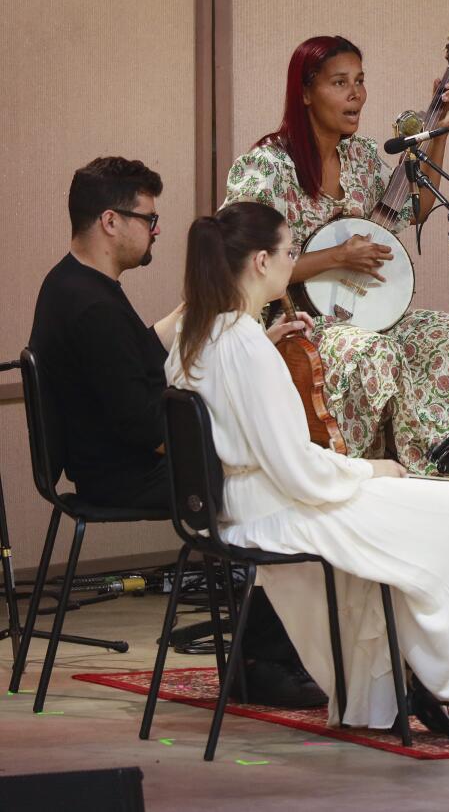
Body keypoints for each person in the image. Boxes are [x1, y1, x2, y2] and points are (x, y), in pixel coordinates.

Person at [165, 201, 449, 735]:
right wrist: (372, 470)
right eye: (290, 252)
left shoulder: (200, 336)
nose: (294, 263)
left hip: (240, 504)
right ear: (261, 261)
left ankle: (409, 684)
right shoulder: (244, 345)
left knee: (423, 523)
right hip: (278, 507)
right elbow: (297, 473)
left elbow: (239, 406)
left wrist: (265, 350)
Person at [29, 156, 323, 708]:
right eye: (148, 218)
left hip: (108, 460)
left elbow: (140, 354)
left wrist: (228, 319)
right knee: (274, 487)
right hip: (120, 474)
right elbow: (144, 425)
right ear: (111, 222)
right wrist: (237, 432)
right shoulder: (90, 306)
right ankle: (260, 662)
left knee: (265, 473)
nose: (155, 230)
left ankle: (266, 654)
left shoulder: (77, 284)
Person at [223, 35, 449, 471]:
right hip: (297, 323)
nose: (355, 93)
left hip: (368, 316)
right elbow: (238, 261)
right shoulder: (268, 166)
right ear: (304, 92)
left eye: (359, 81)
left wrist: (441, 132)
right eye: (339, 82)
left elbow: (417, 207)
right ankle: (365, 477)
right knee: (372, 351)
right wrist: (336, 256)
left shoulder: (359, 156)